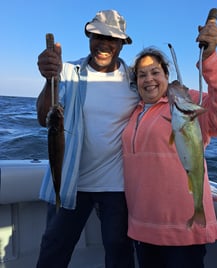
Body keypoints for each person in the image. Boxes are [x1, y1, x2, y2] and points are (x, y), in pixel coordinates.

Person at [122, 21, 217, 268]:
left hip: (182, 228)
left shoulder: (189, 103)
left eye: (155, 72)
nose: (149, 79)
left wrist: (210, 59)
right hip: (142, 227)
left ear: (167, 75)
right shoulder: (133, 113)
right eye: (142, 75)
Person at [35, 10, 140, 268]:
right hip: (71, 183)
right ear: (88, 35)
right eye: (97, 35)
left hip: (116, 188)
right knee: (54, 247)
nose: (104, 43)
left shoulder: (135, 82)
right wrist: (51, 79)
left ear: (122, 44)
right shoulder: (67, 72)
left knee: (119, 253)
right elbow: (42, 117)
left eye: (112, 38)